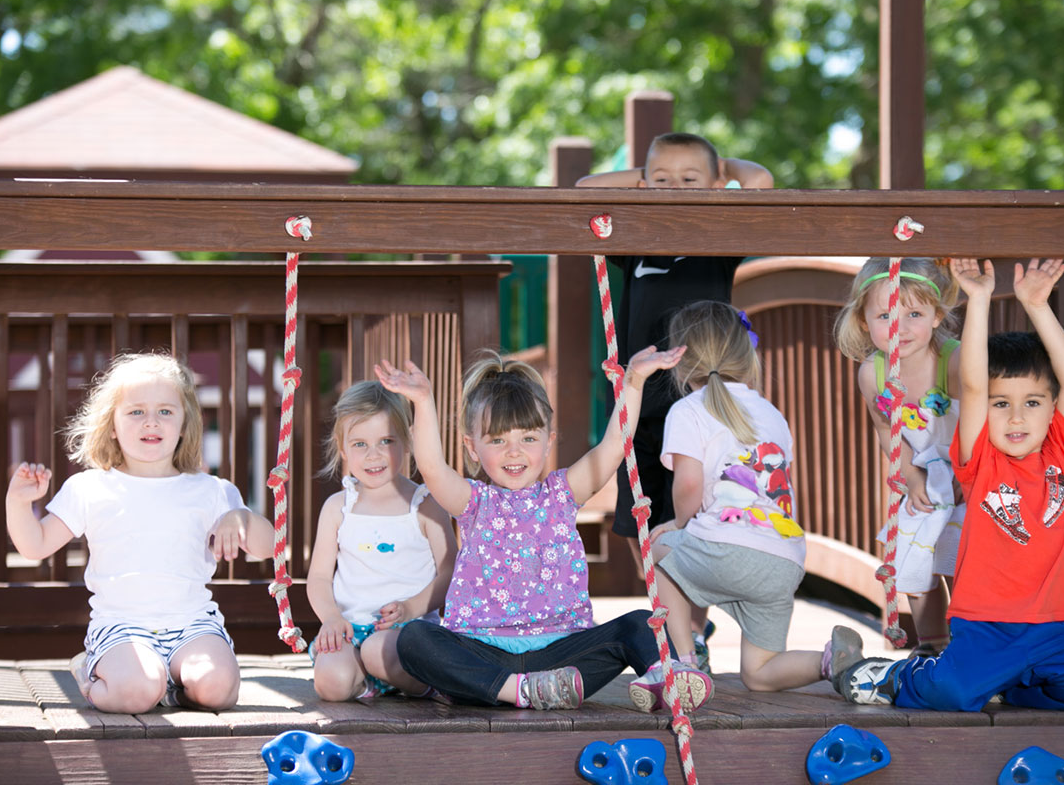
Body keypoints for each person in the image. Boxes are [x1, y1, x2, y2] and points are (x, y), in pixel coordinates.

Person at [837, 258, 1064, 712]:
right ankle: (896, 674)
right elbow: (971, 385)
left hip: (1058, 627)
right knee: (952, 693)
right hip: (987, 624)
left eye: (1032, 402)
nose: (1015, 417)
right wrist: (980, 299)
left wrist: (1037, 305)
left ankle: (1008, 681)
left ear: (1052, 409)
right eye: (1000, 404)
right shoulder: (979, 462)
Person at [376, 349, 715, 712]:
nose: (514, 452)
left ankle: (665, 677)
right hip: (486, 657)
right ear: (471, 448)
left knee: (639, 623)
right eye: (497, 440)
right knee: (414, 638)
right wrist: (423, 401)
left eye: (527, 438)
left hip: (563, 658)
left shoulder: (562, 493)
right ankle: (518, 691)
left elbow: (614, 447)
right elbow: (431, 466)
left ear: (549, 440)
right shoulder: (473, 501)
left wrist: (633, 381)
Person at [577, 131, 773, 671]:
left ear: (716, 186)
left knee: (701, 508)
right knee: (649, 517)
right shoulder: (637, 235)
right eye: (662, 180)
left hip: (703, 398)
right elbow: (585, 187)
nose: (675, 190)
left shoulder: (719, 233)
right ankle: (672, 617)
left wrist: (719, 172)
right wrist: (646, 184)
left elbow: (761, 182)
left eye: (690, 180)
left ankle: (694, 627)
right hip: (644, 400)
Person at [5, 352, 275, 714]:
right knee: (134, 692)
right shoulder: (91, 487)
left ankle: (173, 689)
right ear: (112, 425)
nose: (152, 422)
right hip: (122, 628)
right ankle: (94, 673)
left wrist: (240, 516)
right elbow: (35, 545)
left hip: (192, 624)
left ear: (184, 425)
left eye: (166, 411)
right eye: (136, 412)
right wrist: (18, 504)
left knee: (219, 690)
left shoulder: (210, 491)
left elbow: (271, 546)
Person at [648, 300, 865, 694]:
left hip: (726, 551)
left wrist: (677, 525)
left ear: (680, 362)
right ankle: (828, 660)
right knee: (760, 674)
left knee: (659, 551)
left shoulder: (687, 410)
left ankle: (683, 663)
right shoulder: (770, 412)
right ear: (747, 355)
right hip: (784, 560)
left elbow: (689, 486)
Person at [833, 257, 966, 656]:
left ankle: (971, 640)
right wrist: (910, 477)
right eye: (885, 314)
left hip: (968, 466)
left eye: (914, 314)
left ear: (937, 315)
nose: (900, 327)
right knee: (913, 556)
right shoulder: (872, 373)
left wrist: (966, 472)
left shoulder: (953, 360)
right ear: (863, 321)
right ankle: (932, 643)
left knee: (962, 558)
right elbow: (886, 432)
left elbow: (975, 422)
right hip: (922, 472)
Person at [305, 381, 457, 701]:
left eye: (386, 441)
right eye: (360, 444)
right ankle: (367, 685)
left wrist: (411, 607)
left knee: (378, 651)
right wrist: (332, 618)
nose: (373, 455)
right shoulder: (338, 507)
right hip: (351, 629)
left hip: (409, 633)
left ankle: (430, 685)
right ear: (343, 448)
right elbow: (318, 576)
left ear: (406, 441)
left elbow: (450, 571)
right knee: (331, 681)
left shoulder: (426, 504)